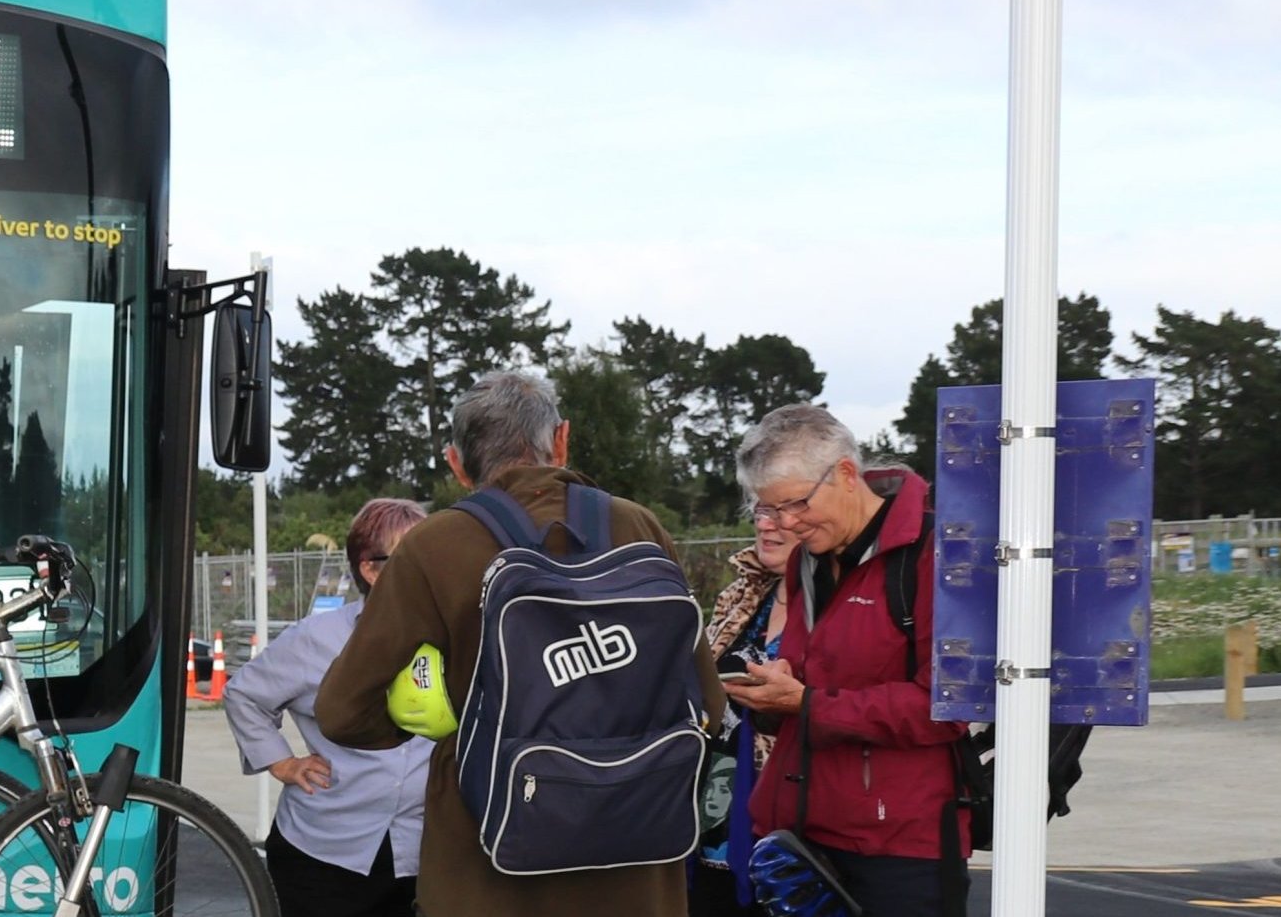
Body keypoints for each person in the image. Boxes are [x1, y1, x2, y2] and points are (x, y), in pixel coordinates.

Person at [316, 370, 725, 917]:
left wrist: (442, 723)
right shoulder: (639, 527)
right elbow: (710, 704)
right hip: (639, 866)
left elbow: (342, 712)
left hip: (491, 863)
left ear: (457, 463)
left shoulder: (432, 547)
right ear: (561, 440)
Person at [722, 404, 969, 916]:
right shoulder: (808, 561)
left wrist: (807, 703)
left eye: (794, 504)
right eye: (767, 511)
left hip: (898, 847)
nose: (786, 523)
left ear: (847, 475)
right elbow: (806, 682)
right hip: (802, 833)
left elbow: (946, 705)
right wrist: (772, 694)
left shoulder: (936, 554)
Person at [223, 498, 433, 917]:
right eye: (412, 560)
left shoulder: (448, 635)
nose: (429, 572)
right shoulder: (316, 639)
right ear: (370, 569)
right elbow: (243, 694)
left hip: (420, 851)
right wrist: (281, 762)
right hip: (324, 851)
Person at [690, 516, 800, 915]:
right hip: (714, 805)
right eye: (760, 509)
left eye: (782, 508)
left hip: (783, 814)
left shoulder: (835, 605)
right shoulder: (740, 594)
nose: (767, 524)